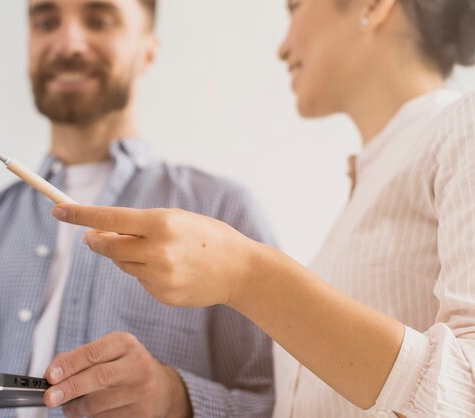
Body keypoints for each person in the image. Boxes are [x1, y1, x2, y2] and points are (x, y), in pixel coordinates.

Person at [0, 0, 277, 417]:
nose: (69, 42)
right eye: (47, 21)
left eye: (99, 19)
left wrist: (176, 402)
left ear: (148, 49)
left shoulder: (222, 213)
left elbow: (282, 400)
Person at [49, 0, 475, 416]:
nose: (282, 47)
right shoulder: (365, 190)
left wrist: (247, 274)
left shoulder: (464, 127)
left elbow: (465, 393)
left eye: (294, 8)